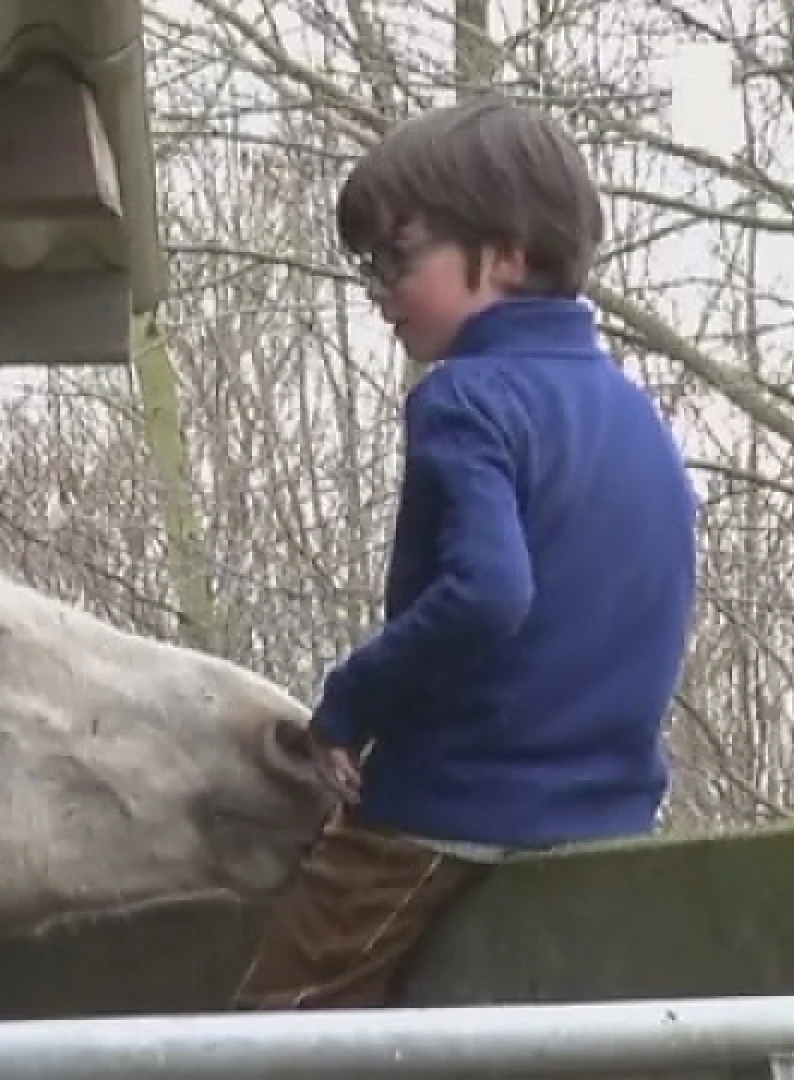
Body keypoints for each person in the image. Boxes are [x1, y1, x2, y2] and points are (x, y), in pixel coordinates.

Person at [232, 96, 699, 1010]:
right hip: (610, 810)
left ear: (509, 252)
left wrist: (348, 704)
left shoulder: (466, 399)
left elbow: (488, 594)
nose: (381, 292)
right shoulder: (635, 416)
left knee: (270, 1031)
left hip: (452, 805)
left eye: (397, 259)